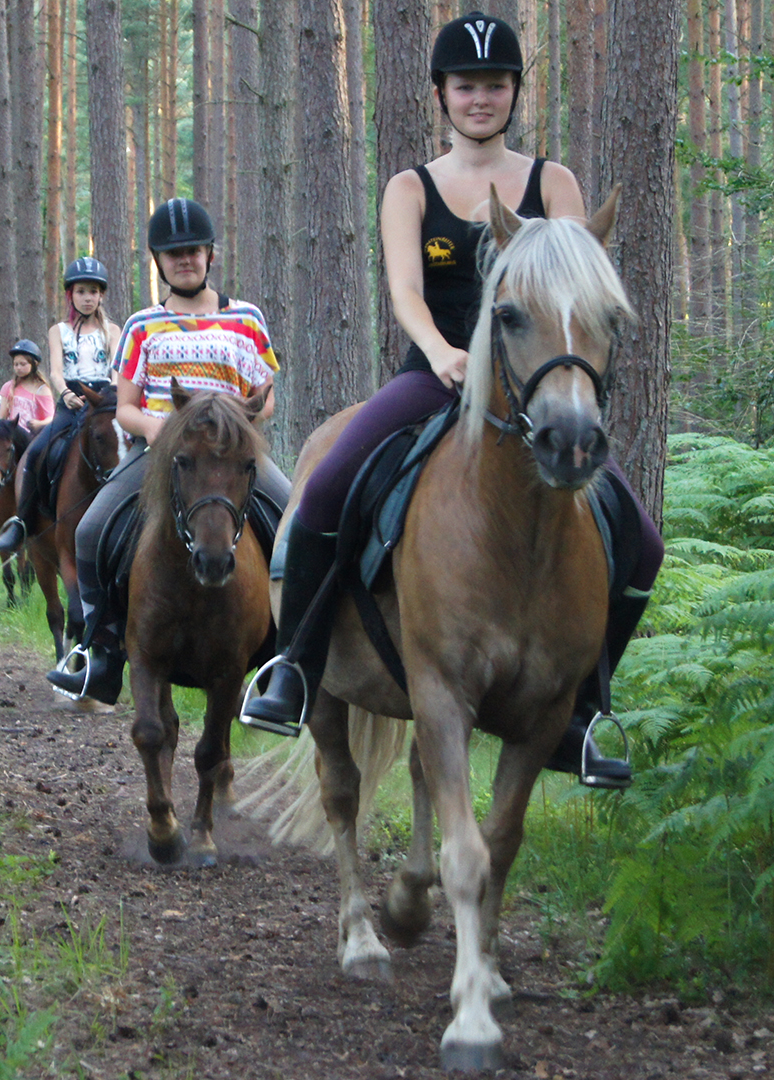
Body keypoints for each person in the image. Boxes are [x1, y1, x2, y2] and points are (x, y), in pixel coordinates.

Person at [237, 11, 663, 791]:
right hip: (430, 375)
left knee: (642, 541)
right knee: (327, 489)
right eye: (466, 85)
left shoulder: (553, 184)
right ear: (441, 93)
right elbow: (404, 287)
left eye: (495, 84)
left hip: (531, 390)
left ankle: (586, 708)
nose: (480, 98)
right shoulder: (413, 188)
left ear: (513, 93)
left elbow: (575, 290)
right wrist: (439, 351)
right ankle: (292, 667)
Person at [46, 198, 289, 704]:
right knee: (90, 531)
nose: (185, 260)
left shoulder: (247, 319)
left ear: (210, 256)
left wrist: (235, 423)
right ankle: (102, 652)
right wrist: (159, 429)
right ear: (160, 262)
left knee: (295, 525)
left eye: (193, 251)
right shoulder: (141, 325)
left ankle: (286, 661)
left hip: (232, 452)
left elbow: (265, 400)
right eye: (174, 254)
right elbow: (126, 407)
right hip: (162, 453)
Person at [0, 258, 123, 558]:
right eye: (81, 291)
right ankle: (22, 523)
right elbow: (55, 370)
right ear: (71, 295)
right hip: (71, 398)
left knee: (133, 448)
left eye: (93, 291)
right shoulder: (59, 330)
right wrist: (64, 393)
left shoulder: (113, 330)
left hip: (105, 400)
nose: (88, 297)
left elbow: (116, 367)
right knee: (38, 451)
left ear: (101, 295)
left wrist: (111, 394)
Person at [0, 340, 55, 530]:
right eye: (16, 364)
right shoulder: (8, 388)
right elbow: (2, 416)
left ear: (33, 364)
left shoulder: (42, 389)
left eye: (23, 364)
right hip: (8, 438)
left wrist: (39, 423)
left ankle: (44, 505)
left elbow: (51, 417)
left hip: (32, 437)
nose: (18, 368)